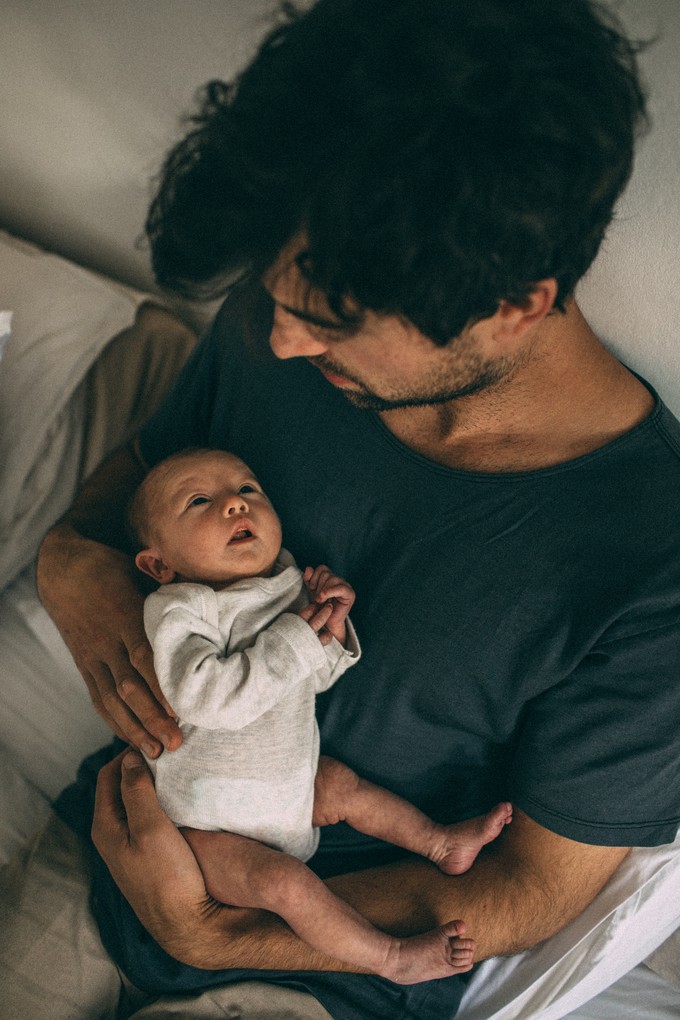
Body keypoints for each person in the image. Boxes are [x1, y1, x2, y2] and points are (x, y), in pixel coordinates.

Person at [4, 0, 680, 1018]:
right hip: (114, 839)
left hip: (325, 966)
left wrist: (216, 925)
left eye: (323, 325)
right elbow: (142, 471)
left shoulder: (650, 561)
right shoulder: (286, 303)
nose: (277, 344)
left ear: (513, 305)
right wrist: (69, 559)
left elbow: (528, 888)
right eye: (273, 303)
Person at [124, 445, 511, 984]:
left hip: (291, 790)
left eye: (247, 489)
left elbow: (308, 680)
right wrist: (297, 637)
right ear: (159, 563)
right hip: (209, 824)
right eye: (199, 500)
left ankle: (439, 842)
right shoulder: (183, 607)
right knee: (287, 886)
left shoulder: (287, 584)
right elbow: (203, 697)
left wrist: (329, 626)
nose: (235, 505)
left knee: (342, 786)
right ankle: (391, 959)